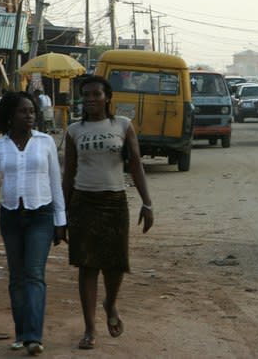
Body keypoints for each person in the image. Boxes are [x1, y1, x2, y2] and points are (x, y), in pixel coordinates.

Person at [62, 75, 154, 350]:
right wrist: (62, 214)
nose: (90, 99)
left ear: (107, 97)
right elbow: (69, 174)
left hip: (114, 202)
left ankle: (110, 304)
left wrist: (147, 203)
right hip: (83, 203)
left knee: (115, 264)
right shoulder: (74, 130)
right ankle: (90, 328)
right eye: (85, 95)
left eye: (96, 94)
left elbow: (136, 166)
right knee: (87, 265)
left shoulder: (123, 126)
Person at [0, 91, 67, 356]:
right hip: (11, 216)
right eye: (23, 111)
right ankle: (21, 333)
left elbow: (55, 183)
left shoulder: (45, 142)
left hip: (41, 215)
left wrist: (61, 220)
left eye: (32, 111)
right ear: (9, 116)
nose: (29, 116)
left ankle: (33, 337)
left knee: (34, 274)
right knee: (16, 277)